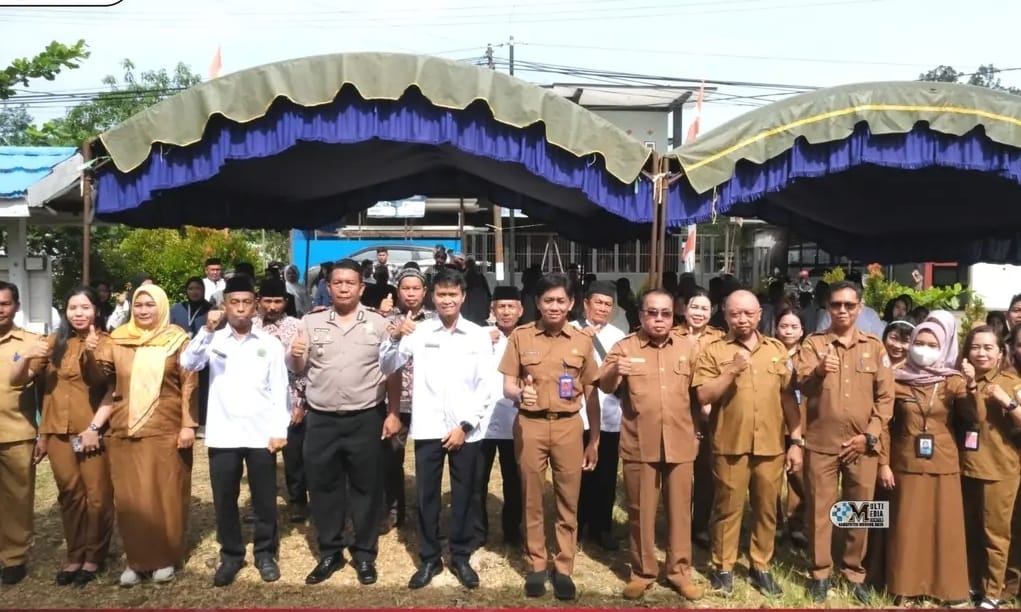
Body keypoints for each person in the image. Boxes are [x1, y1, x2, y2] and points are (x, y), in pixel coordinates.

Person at [287, 258, 396, 587]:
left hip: (366, 417)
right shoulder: (311, 321)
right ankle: (330, 551)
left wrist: (393, 413)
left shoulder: (379, 324)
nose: (344, 288)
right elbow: (298, 367)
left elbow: (392, 370)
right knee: (323, 486)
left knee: (366, 488)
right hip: (322, 419)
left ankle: (364, 554)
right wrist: (295, 354)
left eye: (350, 283)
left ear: (361, 288)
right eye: (338, 283)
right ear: (328, 286)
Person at [380, 268, 491, 590]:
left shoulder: (478, 335)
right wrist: (395, 336)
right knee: (427, 495)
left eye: (453, 294)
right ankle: (429, 558)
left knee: (464, 494)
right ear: (433, 297)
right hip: (428, 427)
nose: (447, 300)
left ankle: (460, 555)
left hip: (465, 430)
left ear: (463, 297)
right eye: (441, 294)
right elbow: (387, 365)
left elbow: (485, 386)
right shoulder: (419, 332)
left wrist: (465, 425)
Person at [83, 284, 197, 587]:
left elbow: (189, 384)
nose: (143, 310)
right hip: (124, 428)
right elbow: (99, 379)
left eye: (150, 305)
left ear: (162, 307)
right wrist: (91, 352)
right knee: (130, 498)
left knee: (165, 493)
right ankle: (136, 560)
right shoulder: (118, 339)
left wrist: (188, 424)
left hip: (166, 427)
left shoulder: (178, 340)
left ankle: (165, 558)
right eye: (138, 305)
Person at [180, 275, 289, 587]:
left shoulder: (269, 343)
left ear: (256, 306)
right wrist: (206, 330)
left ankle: (266, 553)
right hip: (224, 432)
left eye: (246, 303)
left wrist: (279, 429)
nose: (240, 308)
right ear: (224, 306)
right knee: (225, 497)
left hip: (261, 434)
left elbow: (280, 388)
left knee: (264, 498)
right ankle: (231, 554)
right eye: (234, 303)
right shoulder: (214, 340)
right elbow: (189, 362)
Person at [498, 273, 601, 601]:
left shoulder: (582, 340)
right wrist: (519, 394)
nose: (554, 306)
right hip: (531, 425)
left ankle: (564, 566)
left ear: (571, 304)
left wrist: (594, 438)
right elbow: (508, 384)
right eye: (548, 300)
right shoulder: (521, 336)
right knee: (531, 495)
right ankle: (536, 563)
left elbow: (592, 393)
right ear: (537, 303)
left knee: (568, 498)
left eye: (560, 300)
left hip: (569, 426)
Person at [693, 289, 802, 597]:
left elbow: (788, 398)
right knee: (728, 508)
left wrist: (796, 440)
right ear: (725, 315)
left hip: (770, 446)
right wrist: (731, 370)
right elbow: (703, 395)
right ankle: (723, 567)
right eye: (735, 313)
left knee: (767, 509)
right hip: (730, 444)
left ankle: (760, 565)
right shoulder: (713, 350)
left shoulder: (776, 349)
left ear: (759, 315)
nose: (742, 319)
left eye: (748, 313)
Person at [598, 289, 703, 602]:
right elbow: (604, 385)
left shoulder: (688, 347)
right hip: (640, 443)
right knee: (640, 511)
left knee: (680, 512)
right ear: (641, 315)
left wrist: (697, 433)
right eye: (652, 313)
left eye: (665, 313)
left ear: (674, 315)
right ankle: (643, 572)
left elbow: (698, 396)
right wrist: (616, 370)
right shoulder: (624, 347)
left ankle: (679, 572)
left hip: (680, 443)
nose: (659, 319)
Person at [795, 280, 894, 604]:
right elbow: (800, 385)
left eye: (849, 305)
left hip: (862, 444)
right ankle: (820, 573)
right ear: (828, 307)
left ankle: (853, 572)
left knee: (860, 510)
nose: (842, 310)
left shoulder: (874, 347)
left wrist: (870, 436)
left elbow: (885, 398)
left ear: (860, 308)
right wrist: (819, 371)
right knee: (819, 510)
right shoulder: (814, 344)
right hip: (821, 443)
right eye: (836, 304)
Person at [10, 287, 114, 588]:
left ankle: (94, 555)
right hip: (57, 431)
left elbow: (110, 387)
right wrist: (25, 356)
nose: (78, 313)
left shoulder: (108, 342)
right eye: (72, 308)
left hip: (90, 431)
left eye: (85, 307)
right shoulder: (54, 342)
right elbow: (19, 381)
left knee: (97, 495)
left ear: (96, 310)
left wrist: (93, 428)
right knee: (70, 494)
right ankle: (75, 554)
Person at [881, 315, 971, 606]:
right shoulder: (896, 377)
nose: (924, 349)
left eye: (932, 345)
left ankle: (948, 589)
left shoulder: (953, 381)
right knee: (907, 526)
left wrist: (971, 386)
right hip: (905, 461)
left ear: (944, 347)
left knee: (944, 526)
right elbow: (883, 424)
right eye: (919, 343)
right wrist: (883, 463)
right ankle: (905, 587)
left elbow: (975, 418)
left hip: (943, 462)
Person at [958, 325, 1020, 609]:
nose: (981, 353)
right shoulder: (959, 380)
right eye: (975, 347)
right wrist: (970, 384)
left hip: (999, 469)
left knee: (995, 534)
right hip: (966, 467)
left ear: (1000, 353)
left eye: (988, 348)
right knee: (970, 530)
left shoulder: (1011, 382)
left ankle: (994, 591)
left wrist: (1006, 401)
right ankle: (975, 584)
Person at [573, 281, 627, 551]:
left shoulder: (619, 336)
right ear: (586, 304)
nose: (603, 309)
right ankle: (576, 525)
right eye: (599, 303)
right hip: (577, 414)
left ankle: (602, 527)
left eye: (608, 305)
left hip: (610, 414)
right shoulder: (571, 330)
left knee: (606, 474)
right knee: (578, 474)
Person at [380, 267, 433, 534]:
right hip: (395, 401)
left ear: (425, 292)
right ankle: (393, 511)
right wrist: (397, 332)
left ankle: (426, 513)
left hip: (428, 400)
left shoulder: (436, 320)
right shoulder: (386, 321)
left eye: (416, 289)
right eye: (405, 288)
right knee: (391, 459)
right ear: (398, 291)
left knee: (428, 462)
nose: (410, 294)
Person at [253, 278, 308, 523]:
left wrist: (301, 404)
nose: (272, 307)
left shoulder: (296, 326)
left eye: (278, 301)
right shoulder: (250, 326)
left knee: (294, 457)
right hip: (258, 403)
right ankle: (261, 505)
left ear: (286, 302)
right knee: (259, 458)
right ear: (258, 301)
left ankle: (298, 502)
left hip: (290, 400)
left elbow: (306, 369)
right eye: (268, 301)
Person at [673, 287, 725, 549]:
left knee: (706, 473)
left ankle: (700, 525)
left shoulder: (721, 339)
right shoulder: (671, 335)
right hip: (678, 412)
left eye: (704, 308)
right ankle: (678, 526)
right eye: (694, 307)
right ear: (684, 308)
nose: (699, 313)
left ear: (712, 311)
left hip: (708, 412)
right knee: (678, 474)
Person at [0, 281, 44, 586]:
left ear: (16, 306)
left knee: (17, 498)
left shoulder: (32, 342)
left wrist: (44, 434)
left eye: (4, 303)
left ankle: (13, 558)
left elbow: (44, 391)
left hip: (17, 431)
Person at [475, 286, 523, 548]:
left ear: (520, 310)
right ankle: (477, 532)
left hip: (515, 421)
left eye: (511, 306)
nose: (506, 312)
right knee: (477, 480)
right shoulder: (479, 335)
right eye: (501, 307)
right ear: (492, 310)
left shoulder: (528, 337)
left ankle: (512, 530)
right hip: (481, 422)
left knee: (514, 481)